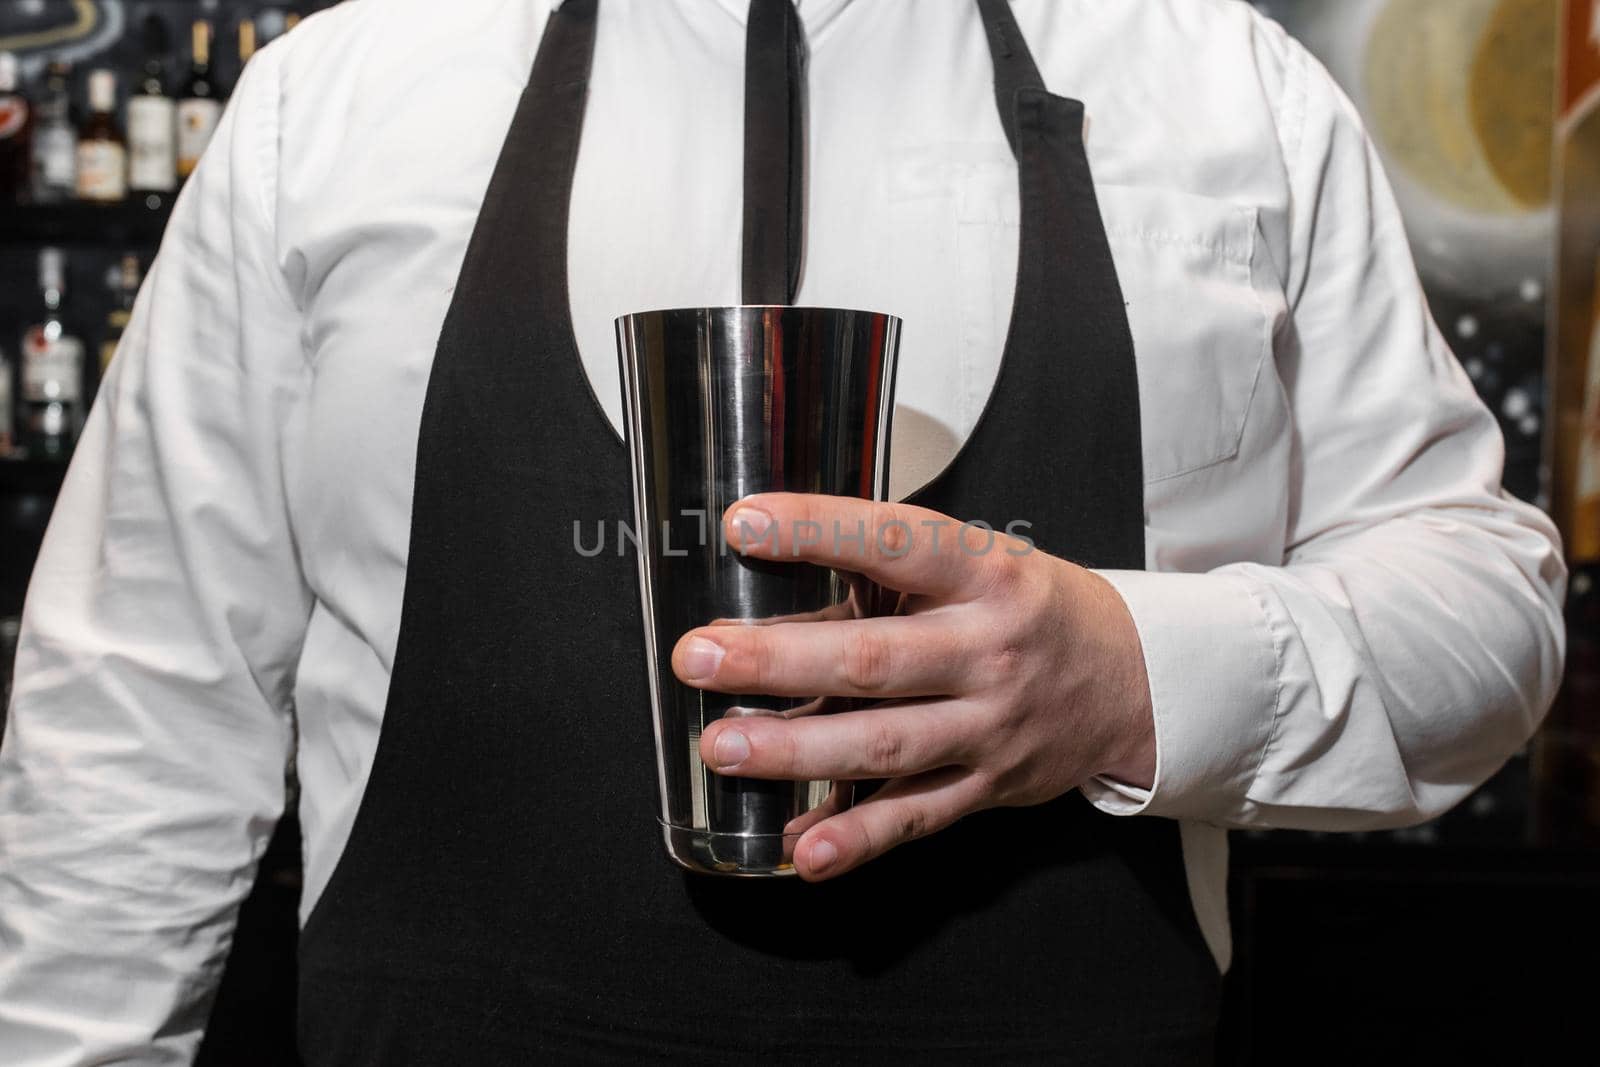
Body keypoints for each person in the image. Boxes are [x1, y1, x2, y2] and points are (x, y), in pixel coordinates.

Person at [0, 0, 1567, 1062]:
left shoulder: (1224, 85)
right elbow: (140, 703)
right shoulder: (346, 89)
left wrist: (1137, 674)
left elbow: (1483, 605)